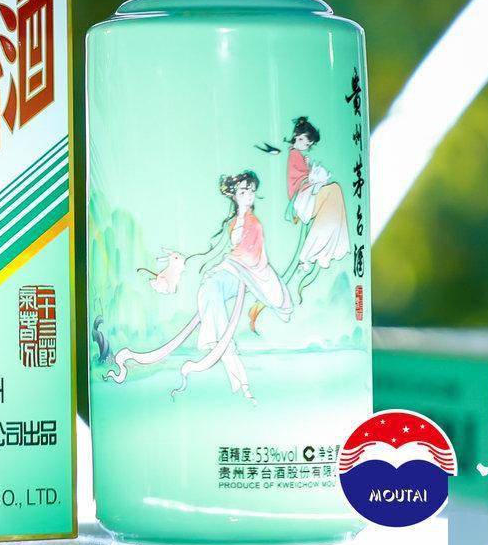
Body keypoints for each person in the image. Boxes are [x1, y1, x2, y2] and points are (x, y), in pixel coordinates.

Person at [106, 171, 292, 402]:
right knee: (208, 288)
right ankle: (224, 350)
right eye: (244, 191)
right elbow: (215, 251)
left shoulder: (254, 224)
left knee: (212, 285)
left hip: (247, 273)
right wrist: (187, 261)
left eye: (252, 191)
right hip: (228, 272)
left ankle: (223, 347)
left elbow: (252, 256)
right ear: (234, 195)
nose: (249, 196)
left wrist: (229, 265)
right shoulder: (231, 223)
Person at [282, 116, 350, 303]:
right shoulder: (294, 155)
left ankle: (321, 247)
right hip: (301, 198)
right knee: (334, 191)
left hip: (307, 194)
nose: (304, 145)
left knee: (335, 192)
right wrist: (312, 176)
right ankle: (316, 250)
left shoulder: (299, 155)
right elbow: (297, 182)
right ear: (297, 137)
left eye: (307, 143)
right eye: (303, 140)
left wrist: (313, 173)